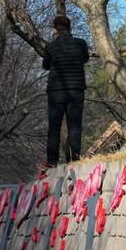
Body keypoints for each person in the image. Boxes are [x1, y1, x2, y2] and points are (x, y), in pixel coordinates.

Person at [41, 14, 89, 167]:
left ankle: (52, 161)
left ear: (56, 29)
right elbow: (85, 58)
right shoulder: (80, 44)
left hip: (56, 91)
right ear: (70, 27)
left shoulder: (51, 46)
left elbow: (46, 65)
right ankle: (74, 159)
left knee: (54, 127)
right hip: (76, 89)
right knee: (74, 125)